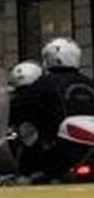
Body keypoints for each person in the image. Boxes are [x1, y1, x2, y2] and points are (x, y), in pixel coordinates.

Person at [12, 38, 94, 178]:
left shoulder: (44, 84)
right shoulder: (88, 83)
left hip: (56, 151)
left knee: (28, 163)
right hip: (86, 150)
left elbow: (19, 107)